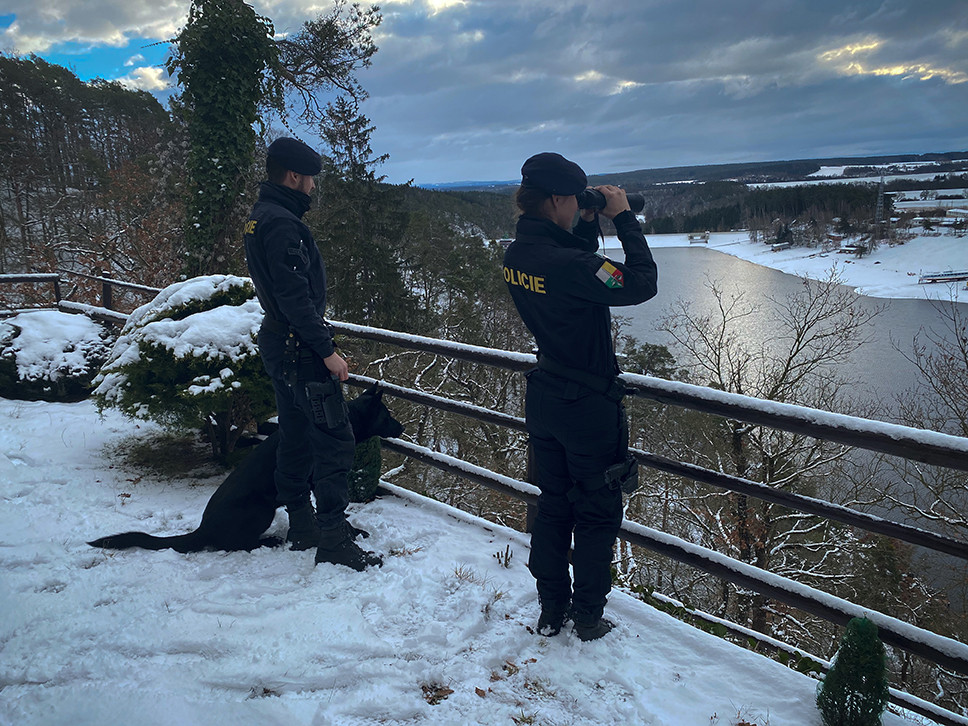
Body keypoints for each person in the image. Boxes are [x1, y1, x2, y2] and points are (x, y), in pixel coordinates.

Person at [503, 152, 658, 640]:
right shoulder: (571, 265)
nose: (576, 205)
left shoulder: (517, 255)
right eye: (574, 199)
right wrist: (624, 218)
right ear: (556, 199)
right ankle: (588, 616)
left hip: (545, 398)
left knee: (554, 506)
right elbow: (640, 283)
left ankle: (552, 608)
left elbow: (578, 271)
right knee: (595, 512)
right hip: (587, 408)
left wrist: (588, 222)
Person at [243, 137, 381, 571]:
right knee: (335, 440)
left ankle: (304, 524)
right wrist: (326, 351)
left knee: (295, 434)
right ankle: (333, 537)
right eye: (310, 179)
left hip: (278, 341)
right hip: (300, 348)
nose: (313, 187)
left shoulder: (260, 216)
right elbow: (295, 297)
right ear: (294, 176)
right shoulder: (283, 224)